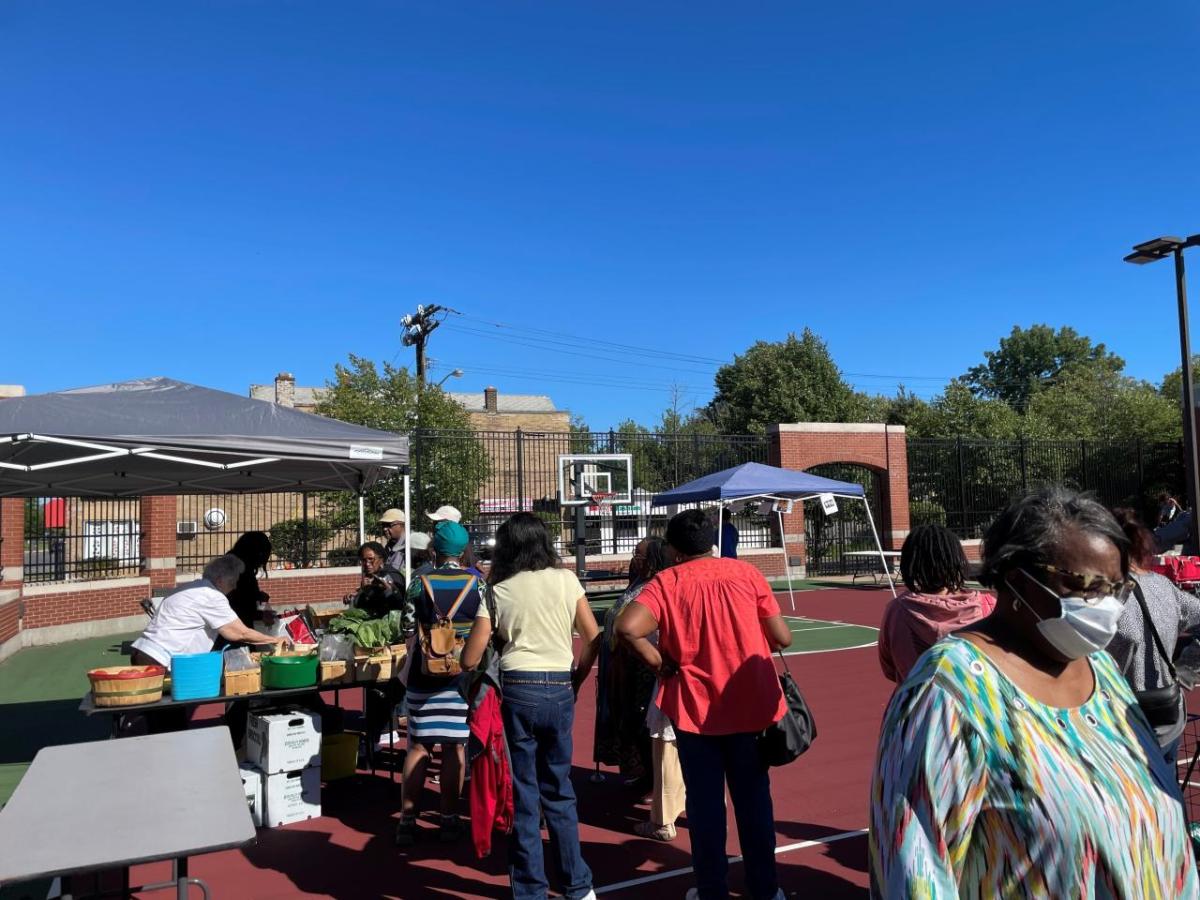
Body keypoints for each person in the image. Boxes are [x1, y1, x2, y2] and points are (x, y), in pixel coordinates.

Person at [869, 487, 1197, 898]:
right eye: (1089, 586)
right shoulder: (947, 693)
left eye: (1117, 589)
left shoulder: (1102, 670)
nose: (1107, 607)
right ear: (1017, 579)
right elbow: (915, 872)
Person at [616, 508, 791, 900]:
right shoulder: (746, 574)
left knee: (706, 805)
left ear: (674, 549)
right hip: (750, 704)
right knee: (754, 800)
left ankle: (711, 888)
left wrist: (660, 663)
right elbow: (782, 637)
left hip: (695, 710)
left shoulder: (667, 581)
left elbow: (627, 627)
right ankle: (765, 888)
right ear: (712, 541)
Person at [461, 512, 600, 900]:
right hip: (558, 682)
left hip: (517, 686)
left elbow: (470, 659)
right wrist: (577, 676)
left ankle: (530, 890)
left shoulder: (498, 589)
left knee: (523, 794)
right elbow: (592, 635)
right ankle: (578, 885)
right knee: (559, 788)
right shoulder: (566, 579)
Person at [394, 521, 482, 846]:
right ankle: (448, 818)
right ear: (463, 550)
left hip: (423, 675)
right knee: (454, 747)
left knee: (418, 747)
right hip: (462, 678)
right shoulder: (479, 585)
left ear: (435, 550)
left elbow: (405, 629)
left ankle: (406, 820)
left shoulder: (420, 583)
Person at [1107, 507, 1200, 764]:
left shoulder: (1103, 595)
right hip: (1168, 710)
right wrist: (1185, 669)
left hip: (1122, 717)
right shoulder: (1163, 586)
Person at [593, 538, 669, 791]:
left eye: (640, 554)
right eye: (635, 553)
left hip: (643, 665)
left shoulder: (658, 586)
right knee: (627, 722)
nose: (634, 558)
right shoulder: (636, 582)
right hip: (621, 665)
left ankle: (655, 780)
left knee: (643, 723)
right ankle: (643, 772)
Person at [877, 524, 996, 683]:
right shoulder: (987, 606)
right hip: (976, 704)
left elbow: (889, 668)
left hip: (918, 704)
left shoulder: (896, 612)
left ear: (910, 563)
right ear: (957, 559)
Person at [132, 554, 287, 667]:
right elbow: (239, 633)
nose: (234, 587)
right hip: (163, 659)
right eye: (232, 582)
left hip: (143, 652)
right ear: (220, 580)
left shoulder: (187, 588)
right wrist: (274, 640)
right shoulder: (211, 596)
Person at [225, 531, 273, 628]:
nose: (261, 562)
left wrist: (257, 595)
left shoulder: (229, 564)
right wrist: (263, 613)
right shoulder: (242, 572)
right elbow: (243, 607)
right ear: (256, 553)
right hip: (235, 629)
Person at [345, 541, 402, 618]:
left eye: (371, 559)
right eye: (364, 560)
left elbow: (395, 604)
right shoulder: (373, 576)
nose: (367, 564)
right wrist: (358, 594)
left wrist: (386, 590)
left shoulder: (390, 576)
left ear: (381, 559)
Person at [379, 508, 407, 573]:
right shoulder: (389, 546)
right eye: (383, 525)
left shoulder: (410, 545)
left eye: (389, 525)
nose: (385, 529)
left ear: (401, 525)